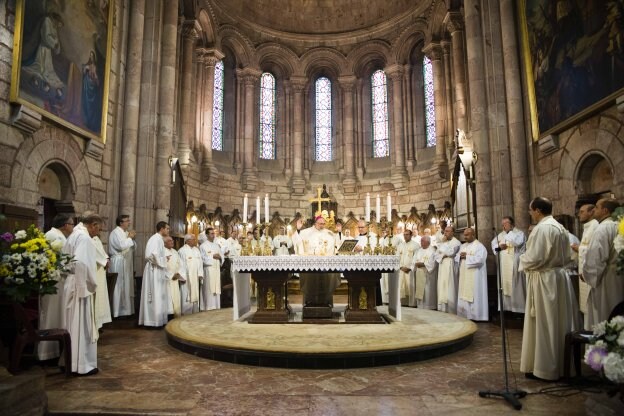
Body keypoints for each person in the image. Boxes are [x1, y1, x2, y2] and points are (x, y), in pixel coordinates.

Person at [519, 197, 577, 381]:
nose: (530, 214)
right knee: (558, 322)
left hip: (545, 280)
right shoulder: (560, 228)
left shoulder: (542, 229)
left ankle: (545, 368)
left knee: (545, 323)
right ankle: (559, 364)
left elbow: (535, 257)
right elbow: (569, 256)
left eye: (530, 210)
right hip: (558, 277)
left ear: (537, 210)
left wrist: (521, 260)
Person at [61, 213, 102, 375]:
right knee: (80, 326)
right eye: (98, 229)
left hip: (72, 283)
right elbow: (81, 264)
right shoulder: (84, 239)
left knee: (72, 325)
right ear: (92, 224)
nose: (98, 233)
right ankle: (82, 365)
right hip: (80, 288)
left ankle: (70, 362)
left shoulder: (74, 235)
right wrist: (92, 284)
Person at [39, 214, 74, 361]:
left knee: (55, 315)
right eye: (72, 224)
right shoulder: (56, 237)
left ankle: (52, 351)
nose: (73, 227)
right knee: (52, 316)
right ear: (65, 225)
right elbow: (63, 262)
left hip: (55, 281)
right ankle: (48, 353)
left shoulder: (53, 234)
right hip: (54, 282)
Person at [582, 198, 622, 329]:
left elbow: (596, 258)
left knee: (605, 315)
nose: (594, 210)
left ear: (605, 210)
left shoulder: (603, 229)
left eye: (597, 207)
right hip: (620, 275)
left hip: (606, 279)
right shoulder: (620, 225)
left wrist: (586, 275)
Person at [292, 216, 340, 309]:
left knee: (326, 282)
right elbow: (297, 242)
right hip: (310, 264)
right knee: (311, 282)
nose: (322, 225)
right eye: (320, 224)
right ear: (315, 223)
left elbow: (337, 245)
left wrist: (338, 233)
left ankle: (326, 301)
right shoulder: (306, 232)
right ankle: (310, 301)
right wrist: (298, 230)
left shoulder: (329, 233)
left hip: (326, 264)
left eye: (323, 224)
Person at [491, 216, 526, 313]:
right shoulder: (501, 235)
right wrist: (499, 246)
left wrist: (508, 236)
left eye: (505, 224)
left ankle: (519, 309)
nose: (503, 226)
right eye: (502, 224)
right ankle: (506, 308)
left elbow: (517, 242)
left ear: (512, 224)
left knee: (516, 286)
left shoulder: (519, 233)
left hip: (515, 264)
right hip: (504, 265)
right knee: (504, 285)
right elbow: (494, 245)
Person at [138, 221, 170, 327]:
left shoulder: (159, 239)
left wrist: (163, 259)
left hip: (158, 268)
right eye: (167, 228)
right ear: (162, 229)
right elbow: (150, 255)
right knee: (154, 294)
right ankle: (152, 321)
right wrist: (163, 260)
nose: (168, 230)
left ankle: (159, 320)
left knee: (159, 294)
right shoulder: (154, 239)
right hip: (154, 269)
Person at [572, 204, 598, 328]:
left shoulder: (595, 226)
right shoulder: (588, 227)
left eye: (582, 212)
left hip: (591, 274)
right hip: (584, 274)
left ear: (591, 212)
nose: (579, 214)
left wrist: (579, 248)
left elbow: (595, 251)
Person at [456, 228, 489, 321]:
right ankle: (465, 314)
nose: (465, 237)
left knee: (474, 294)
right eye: (464, 235)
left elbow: (480, 260)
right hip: (464, 275)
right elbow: (456, 258)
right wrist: (459, 256)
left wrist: (467, 256)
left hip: (475, 276)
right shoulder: (463, 246)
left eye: (467, 235)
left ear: (473, 235)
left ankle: (476, 316)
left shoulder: (480, 246)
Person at [109, 215, 136, 317]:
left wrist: (131, 238)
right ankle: (116, 311)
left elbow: (131, 246)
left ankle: (126, 311)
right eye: (127, 221)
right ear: (121, 223)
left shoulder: (124, 233)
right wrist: (130, 238)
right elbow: (121, 246)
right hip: (118, 261)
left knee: (126, 285)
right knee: (118, 285)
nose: (129, 223)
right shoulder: (115, 232)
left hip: (125, 261)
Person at [435, 225, 461, 313]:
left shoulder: (456, 242)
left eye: (448, 231)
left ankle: (451, 308)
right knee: (442, 285)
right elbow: (436, 254)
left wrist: (443, 253)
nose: (445, 233)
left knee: (450, 286)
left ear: (452, 232)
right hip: (442, 266)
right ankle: (442, 308)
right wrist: (443, 253)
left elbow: (451, 253)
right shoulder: (443, 242)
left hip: (450, 265)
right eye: (445, 231)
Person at [200, 227, 225, 310]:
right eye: (211, 233)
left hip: (216, 269)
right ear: (207, 235)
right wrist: (212, 256)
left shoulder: (216, 245)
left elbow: (222, 256)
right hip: (208, 270)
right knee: (208, 289)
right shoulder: (203, 246)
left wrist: (220, 257)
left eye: (213, 233)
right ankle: (208, 307)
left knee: (216, 289)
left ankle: (217, 306)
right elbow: (202, 259)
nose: (213, 235)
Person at [178, 234, 203, 314]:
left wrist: (200, 273)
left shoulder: (196, 250)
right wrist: (182, 277)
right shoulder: (182, 251)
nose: (195, 241)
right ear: (187, 241)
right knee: (186, 295)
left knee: (195, 295)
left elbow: (200, 263)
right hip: (186, 278)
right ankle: (186, 313)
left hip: (195, 277)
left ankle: (195, 312)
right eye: (193, 239)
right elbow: (180, 265)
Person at [413, 235, 438, 309]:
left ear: (428, 242)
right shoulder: (419, 250)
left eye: (422, 241)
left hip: (428, 274)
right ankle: (420, 305)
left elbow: (433, 263)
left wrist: (423, 264)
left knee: (427, 290)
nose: (421, 243)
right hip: (419, 272)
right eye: (421, 241)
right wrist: (415, 264)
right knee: (420, 290)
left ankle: (429, 306)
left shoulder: (432, 250)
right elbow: (414, 260)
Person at [92, 234, 111, 329]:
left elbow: (102, 252)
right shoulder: (87, 238)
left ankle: (100, 323)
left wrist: (106, 259)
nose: (100, 232)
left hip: (100, 270)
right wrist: (104, 261)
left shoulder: (96, 238)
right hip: (95, 270)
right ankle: (96, 324)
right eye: (98, 229)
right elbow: (95, 253)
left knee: (101, 297)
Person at [397, 229, 420, 305]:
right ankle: (402, 303)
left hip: (410, 270)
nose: (405, 236)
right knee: (401, 286)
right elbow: (397, 257)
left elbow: (417, 258)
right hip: (401, 270)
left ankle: (411, 304)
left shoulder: (416, 245)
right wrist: (400, 267)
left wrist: (410, 267)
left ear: (411, 235)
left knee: (410, 286)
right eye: (404, 235)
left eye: (407, 234)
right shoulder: (400, 245)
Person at [164, 236, 182, 318]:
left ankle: (175, 314)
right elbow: (163, 266)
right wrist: (171, 275)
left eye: (172, 241)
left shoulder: (175, 252)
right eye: (170, 241)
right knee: (168, 298)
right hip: (167, 279)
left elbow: (179, 264)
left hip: (175, 278)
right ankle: (168, 316)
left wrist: (178, 273)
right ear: (164, 242)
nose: (172, 242)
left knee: (175, 298)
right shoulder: (162, 252)